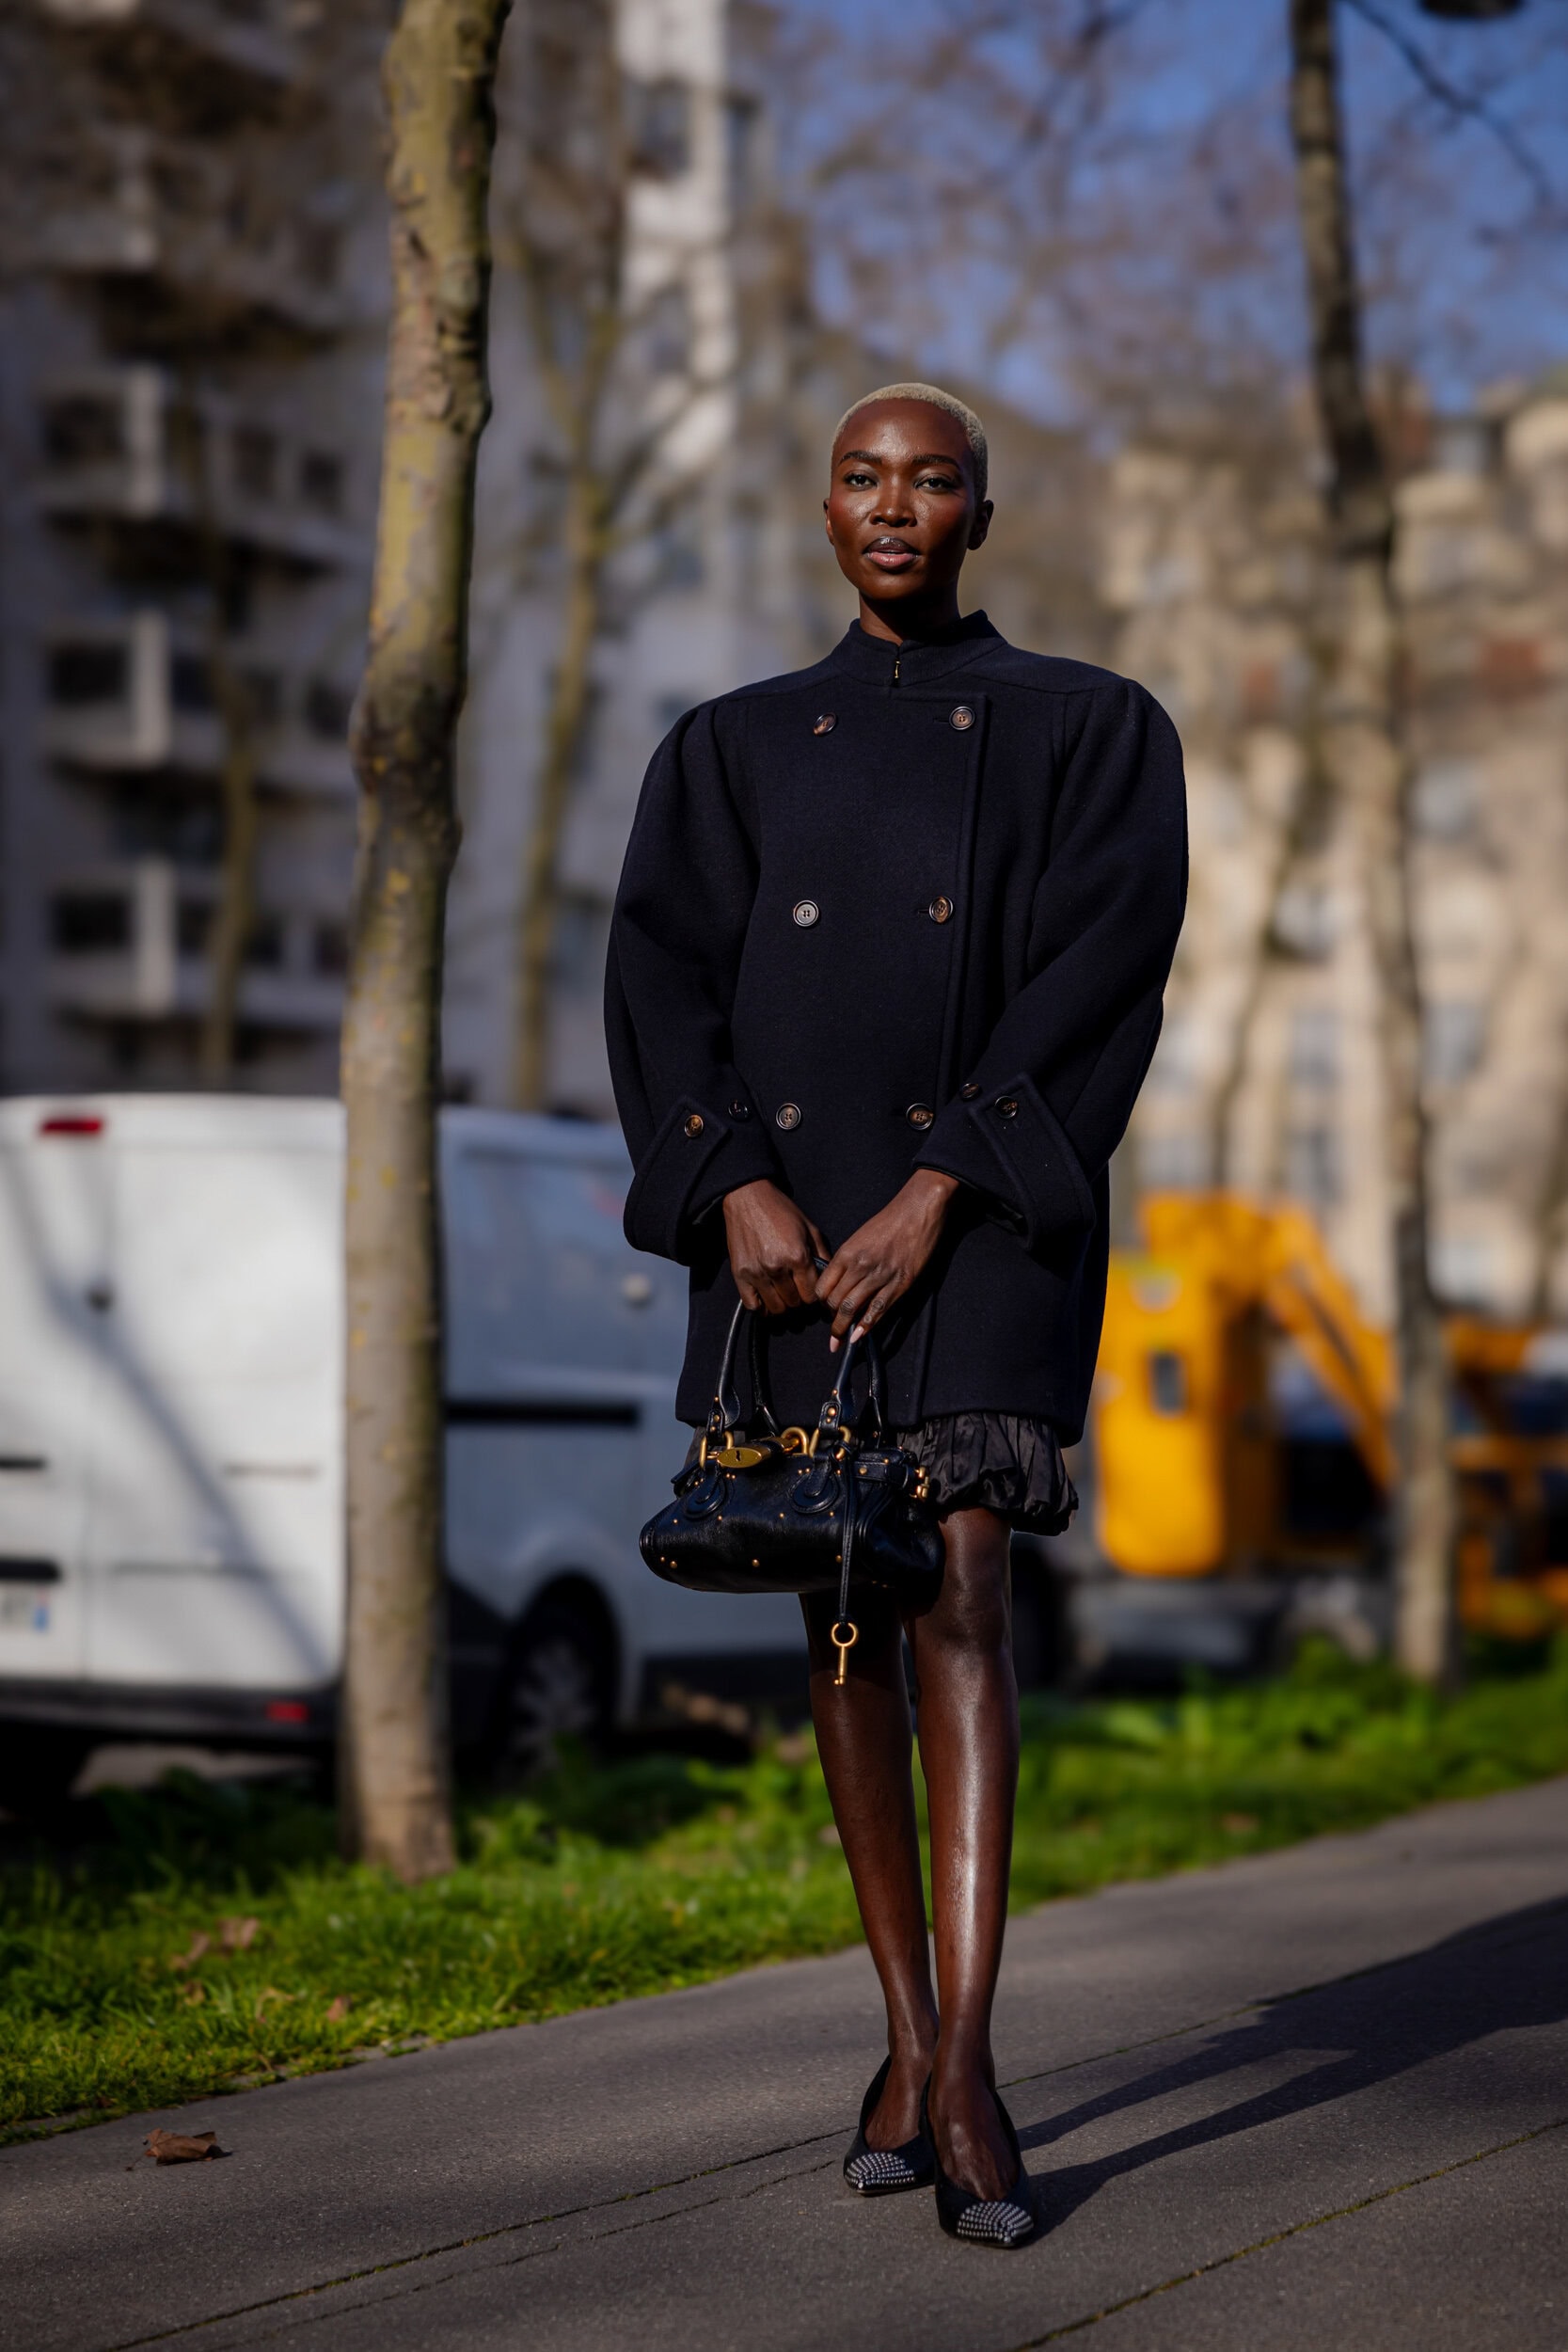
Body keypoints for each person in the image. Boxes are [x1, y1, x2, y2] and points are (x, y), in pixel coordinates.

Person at [606, 383, 1186, 2247]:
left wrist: (944, 1182)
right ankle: (906, 2033)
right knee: (841, 1605)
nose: (893, 506)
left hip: (990, 1216)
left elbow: (1103, 976)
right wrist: (731, 1180)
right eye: (861, 476)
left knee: (964, 1590)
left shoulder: (1094, 728)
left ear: (978, 517)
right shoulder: (725, 746)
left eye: (932, 481)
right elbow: (661, 984)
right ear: (823, 508)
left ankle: (970, 2071)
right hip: (787, 1231)